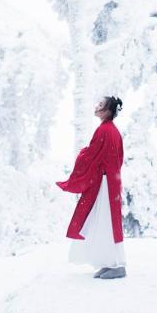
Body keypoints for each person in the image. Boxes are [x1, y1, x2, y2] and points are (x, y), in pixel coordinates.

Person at [56, 95, 126, 279]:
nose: (96, 106)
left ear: (108, 111)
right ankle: (108, 262)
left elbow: (92, 155)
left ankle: (117, 264)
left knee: (104, 222)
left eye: (101, 105)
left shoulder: (105, 130)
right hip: (108, 182)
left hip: (105, 184)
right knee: (103, 222)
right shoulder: (110, 130)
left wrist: (82, 154)